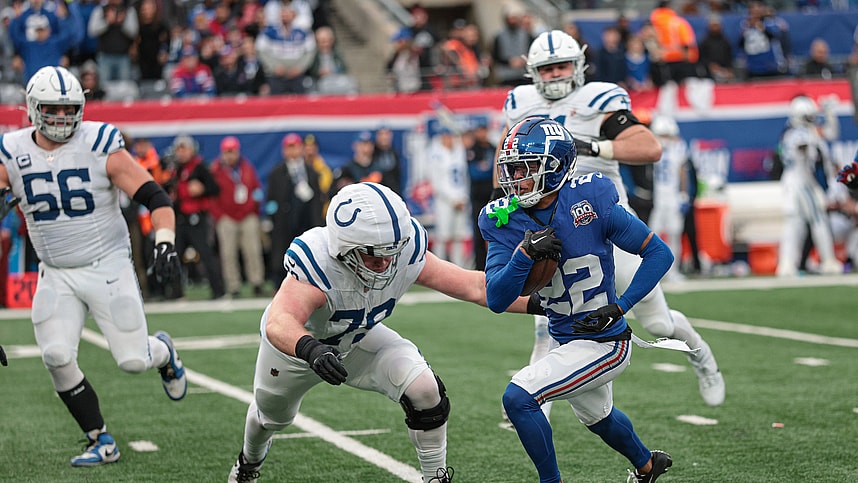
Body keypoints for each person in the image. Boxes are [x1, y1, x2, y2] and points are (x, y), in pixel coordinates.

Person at [227, 181, 533, 483]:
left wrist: (546, 303)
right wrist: (310, 349)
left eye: (392, 253)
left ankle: (435, 478)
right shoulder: (319, 263)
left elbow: (477, 287)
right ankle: (249, 462)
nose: (386, 264)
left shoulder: (403, 253)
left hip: (358, 337)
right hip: (298, 350)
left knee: (425, 389)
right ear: (344, 248)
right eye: (374, 256)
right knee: (270, 419)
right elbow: (279, 321)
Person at [498, 30, 724, 410]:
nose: (554, 75)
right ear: (533, 72)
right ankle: (535, 404)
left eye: (561, 66)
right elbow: (504, 153)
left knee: (657, 323)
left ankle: (699, 353)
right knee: (546, 321)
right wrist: (501, 203)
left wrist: (594, 145)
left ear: (579, 65)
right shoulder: (519, 102)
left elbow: (649, 147)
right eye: (547, 69)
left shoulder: (598, 97)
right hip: (548, 224)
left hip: (600, 221)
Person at [0, 66, 185, 466]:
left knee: (133, 360)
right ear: (33, 108)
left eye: (69, 109)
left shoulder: (101, 142)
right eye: (53, 109)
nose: (62, 118)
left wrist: (165, 243)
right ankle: (99, 438)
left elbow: (157, 199)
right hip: (57, 271)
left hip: (107, 265)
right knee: (55, 355)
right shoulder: (12, 151)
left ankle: (163, 352)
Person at [481, 117, 674, 483]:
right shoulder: (503, 220)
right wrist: (523, 255)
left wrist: (621, 306)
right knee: (599, 417)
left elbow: (659, 253)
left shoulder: (590, 198)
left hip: (605, 341)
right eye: (512, 169)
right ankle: (648, 466)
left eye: (525, 168)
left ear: (554, 168)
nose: (514, 178)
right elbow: (496, 297)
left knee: (518, 397)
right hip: (566, 336)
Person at [775, 96, 842, 276]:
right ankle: (826, 260)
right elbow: (803, 148)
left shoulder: (801, 132)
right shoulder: (796, 134)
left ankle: (788, 264)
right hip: (800, 181)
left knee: (796, 225)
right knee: (816, 221)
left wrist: (830, 115)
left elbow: (830, 134)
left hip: (800, 181)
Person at [264, 133, 324, 288]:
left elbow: (317, 199)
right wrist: (272, 219)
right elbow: (271, 198)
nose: (292, 151)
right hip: (284, 221)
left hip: (305, 220)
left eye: (295, 147)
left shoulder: (311, 172)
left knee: (308, 254)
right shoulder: (277, 173)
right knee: (281, 254)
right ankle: (279, 287)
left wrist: (317, 223)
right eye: (289, 148)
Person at [210, 136, 266, 298]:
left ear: (237, 152)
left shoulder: (247, 168)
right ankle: (234, 285)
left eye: (232, 152)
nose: (230, 156)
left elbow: (256, 189)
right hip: (227, 217)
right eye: (227, 152)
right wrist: (219, 216)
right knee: (228, 253)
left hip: (247, 215)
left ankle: (257, 282)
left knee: (253, 250)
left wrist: (254, 210)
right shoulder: (216, 170)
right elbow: (211, 196)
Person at [648, 115, 690, 282]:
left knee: (674, 234)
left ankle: (673, 271)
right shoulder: (650, 148)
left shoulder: (678, 148)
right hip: (655, 197)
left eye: (667, 135)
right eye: (662, 135)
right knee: (652, 236)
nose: (665, 139)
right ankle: (652, 272)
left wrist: (683, 194)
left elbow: (682, 171)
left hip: (672, 196)